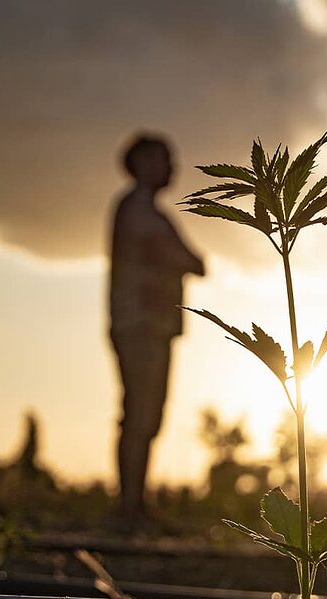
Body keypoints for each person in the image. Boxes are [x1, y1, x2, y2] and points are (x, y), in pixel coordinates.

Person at [109, 134, 205, 520]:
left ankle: (135, 500)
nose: (172, 167)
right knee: (140, 412)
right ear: (142, 163)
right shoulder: (138, 210)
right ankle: (130, 503)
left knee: (147, 414)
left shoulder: (151, 213)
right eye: (164, 159)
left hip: (153, 325)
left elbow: (194, 262)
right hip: (141, 325)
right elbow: (185, 259)